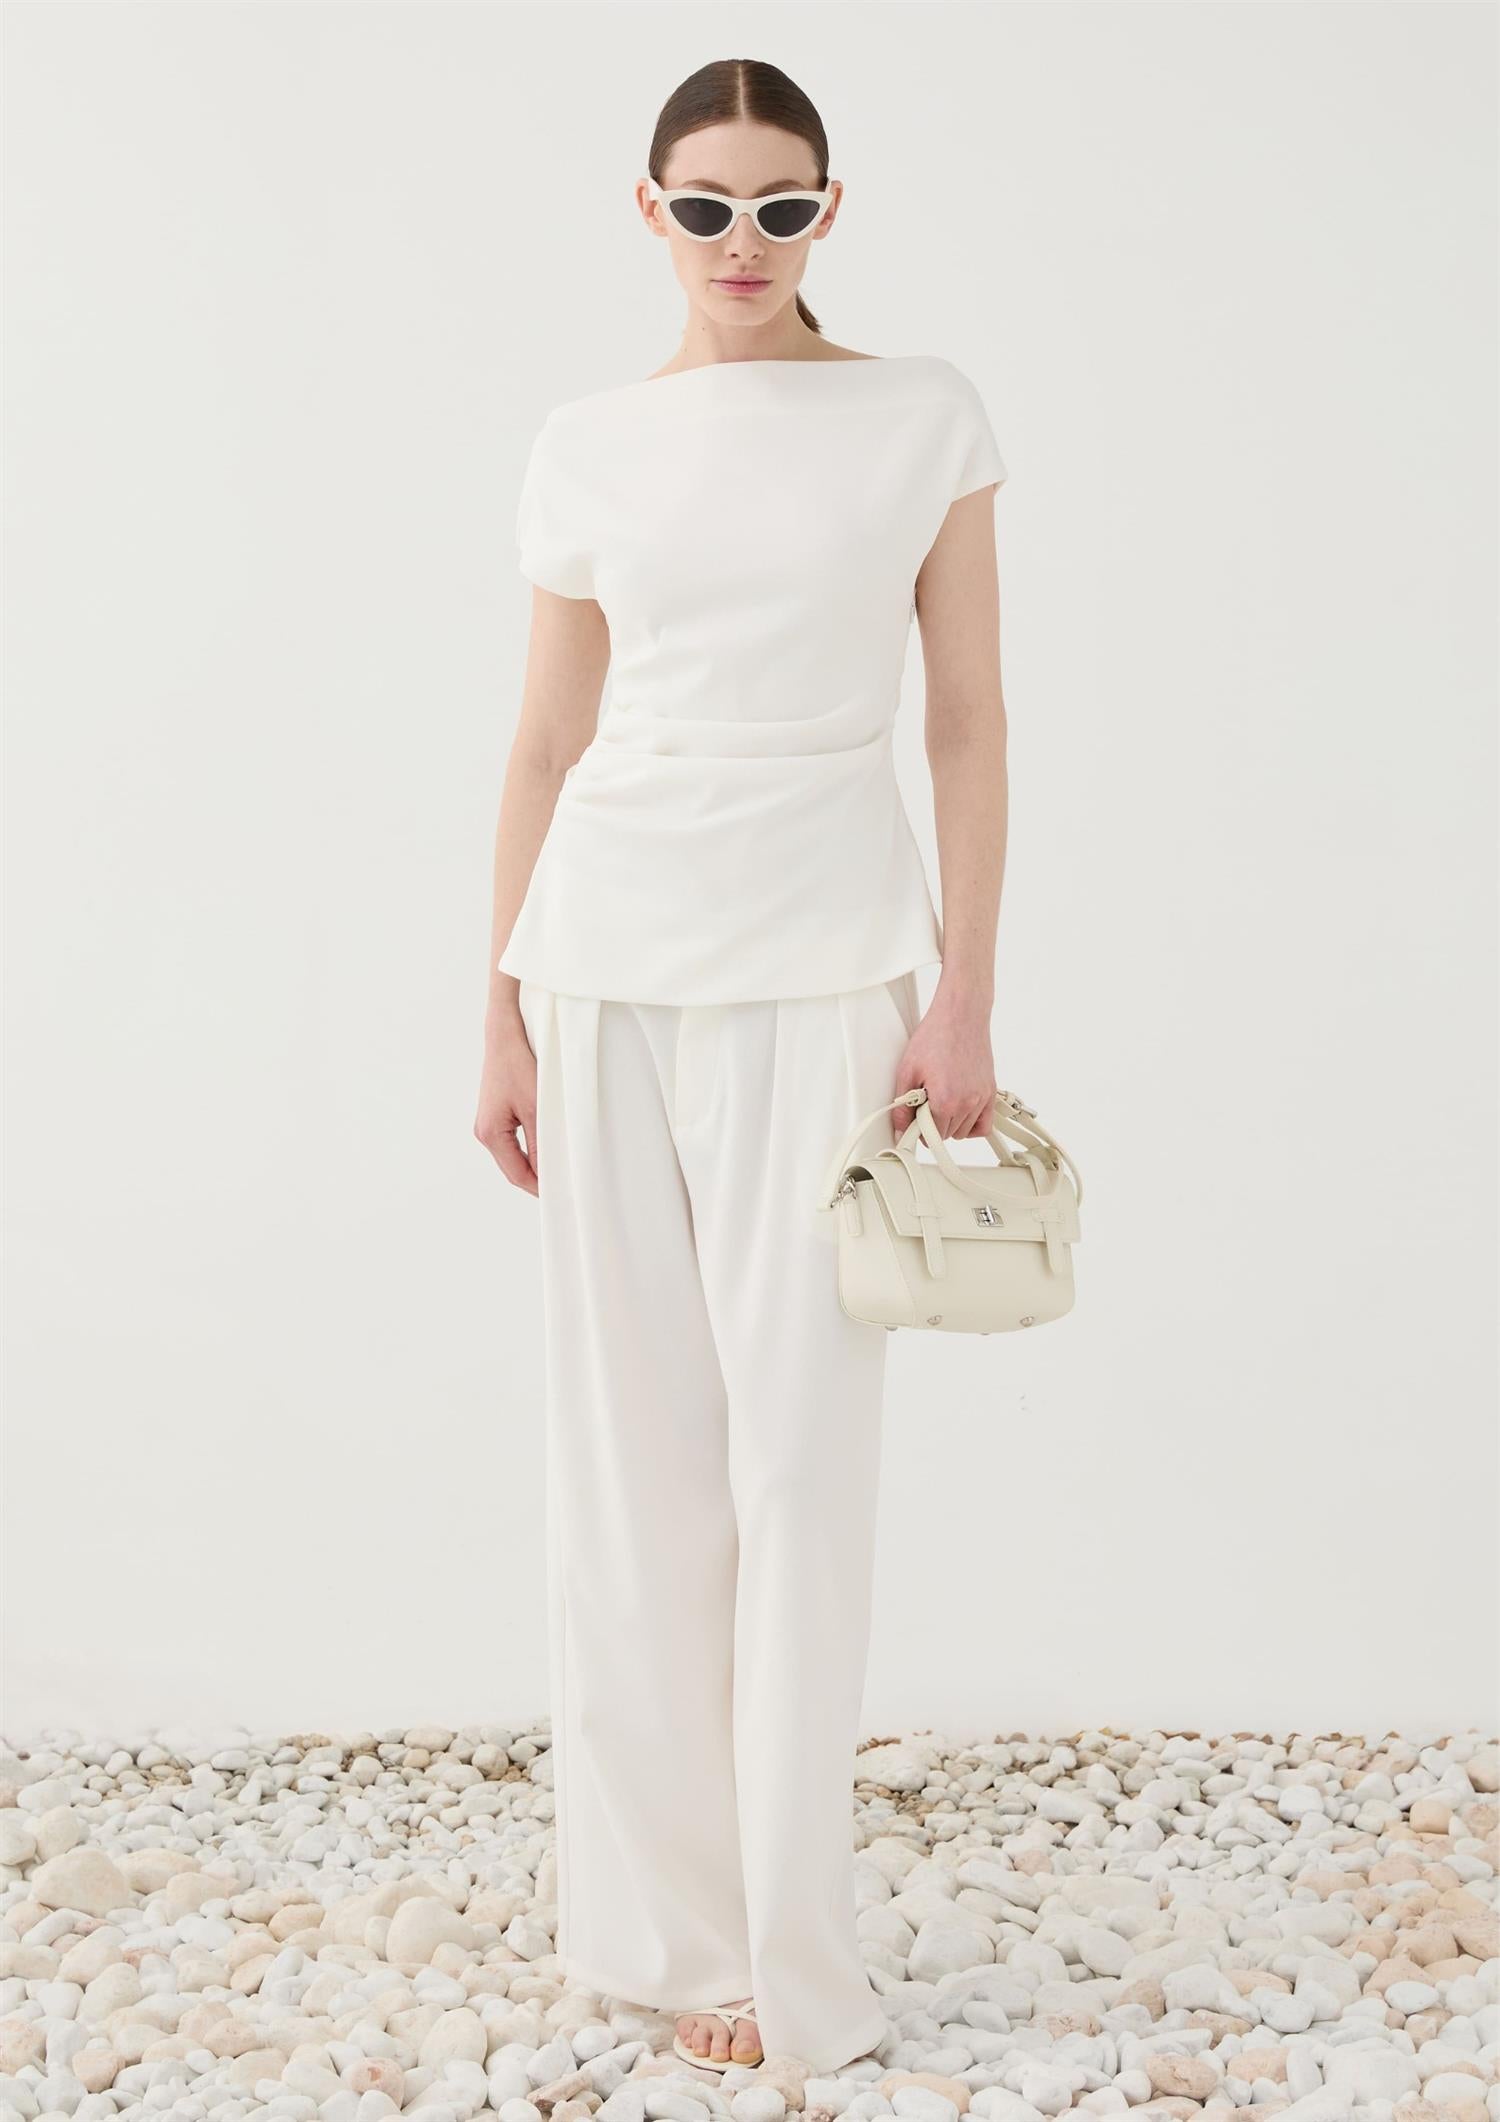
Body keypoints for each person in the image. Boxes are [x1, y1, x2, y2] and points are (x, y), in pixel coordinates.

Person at [475, 56, 1009, 2082]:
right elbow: (546, 740)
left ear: (828, 211)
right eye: (705, 206)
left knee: (800, 1466)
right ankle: (673, 1932)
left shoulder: (919, 416)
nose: (742, 242)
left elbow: (968, 720)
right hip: (604, 964)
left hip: (829, 964)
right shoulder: (588, 445)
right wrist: (498, 1001)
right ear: (650, 211)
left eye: (781, 206)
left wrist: (964, 991)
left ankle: (794, 1945)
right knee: (633, 1467)